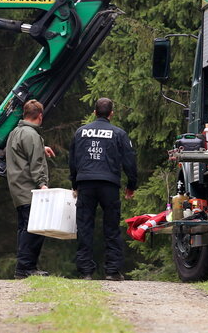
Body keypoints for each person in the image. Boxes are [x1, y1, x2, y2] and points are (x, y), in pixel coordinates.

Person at [69, 97, 137, 281]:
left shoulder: (80, 132)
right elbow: (129, 161)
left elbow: (73, 160)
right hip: (109, 185)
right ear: (111, 114)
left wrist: (75, 184)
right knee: (112, 228)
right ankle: (112, 271)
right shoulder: (119, 133)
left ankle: (85, 272)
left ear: (94, 112)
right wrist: (131, 186)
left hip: (86, 184)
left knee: (84, 227)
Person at [6, 99, 56, 279]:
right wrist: (42, 184)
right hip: (30, 190)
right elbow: (36, 164)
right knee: (34, 229)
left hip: (18, 188)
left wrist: (42, 147)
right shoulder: (32, 135)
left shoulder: (15, 132)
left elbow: (22, 153)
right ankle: (26, 269)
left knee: (24, 228)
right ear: (40, 116)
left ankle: (25, 267)